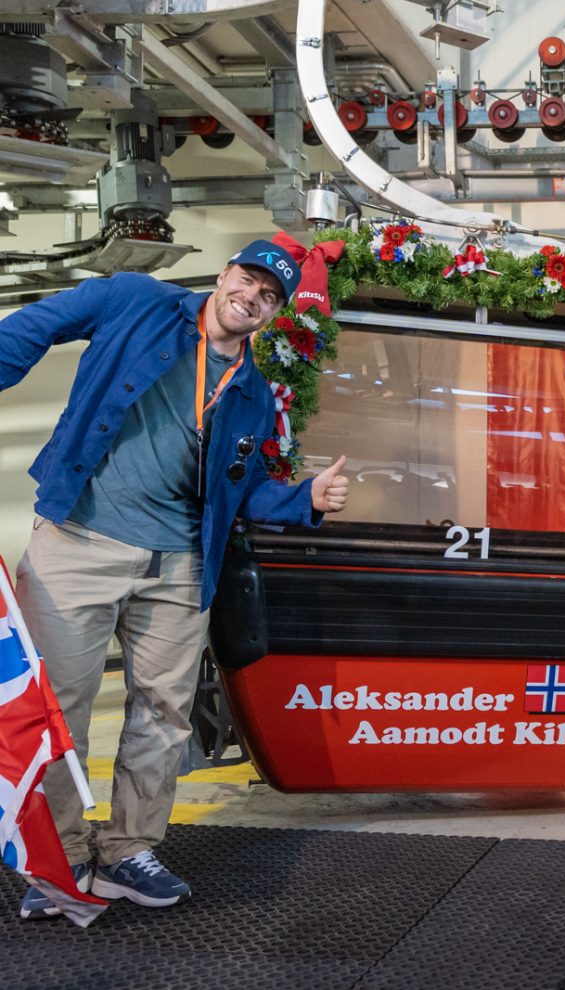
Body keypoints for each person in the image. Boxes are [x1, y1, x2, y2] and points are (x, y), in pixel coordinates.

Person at [1, 237, 349, 919]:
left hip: (182, 563)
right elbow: (37, 325)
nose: (251, 298)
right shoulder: (137, 302)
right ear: (225, 275)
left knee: (162, 712)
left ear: (273, 313)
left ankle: (128, 851)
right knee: (57, 712)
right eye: (247, 280)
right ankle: (61, 858)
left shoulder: (250, 393)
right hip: (81, 542)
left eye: (269, 296)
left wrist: (304, 499)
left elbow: (241, 489)